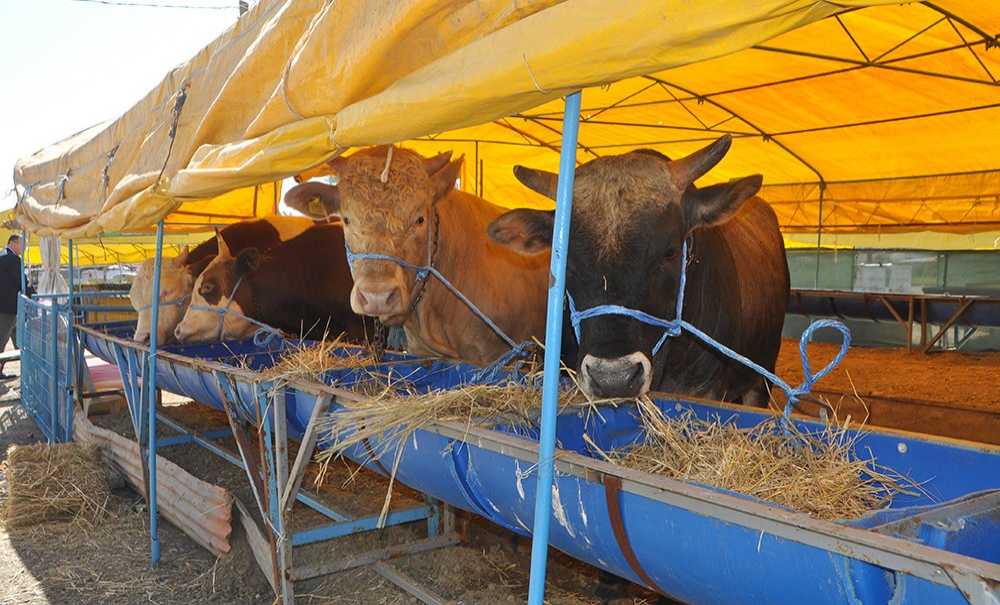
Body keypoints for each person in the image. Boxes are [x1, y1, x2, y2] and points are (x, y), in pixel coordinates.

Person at [0, 235, 31, 379]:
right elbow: (22, 282)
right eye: (21, 244)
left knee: (17, 339)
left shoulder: (3, 256)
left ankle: (27, 371)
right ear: (12, 243)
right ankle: (28, 372)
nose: (23, 248)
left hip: (9, 307)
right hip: (8, 308)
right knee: (3, 339)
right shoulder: (12, 260)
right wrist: (35, 295)